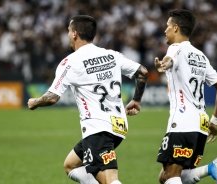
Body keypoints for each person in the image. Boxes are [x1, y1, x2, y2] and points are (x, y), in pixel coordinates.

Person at [28, 15, 148, 184]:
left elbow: (52, 97)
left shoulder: (70, 62)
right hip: (119, 126)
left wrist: (36, 102)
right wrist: (136, 100)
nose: (68, 35)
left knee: (109, 180)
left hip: (98, 127)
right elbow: (142, 72)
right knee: (71, 165)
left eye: (69, 31)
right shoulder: (111, 55)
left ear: (75, 33)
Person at [154, 9, 217, 184]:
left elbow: (170, 59)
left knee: (171, 176)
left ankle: (211, 168)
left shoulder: (175, 48)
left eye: (167, 26)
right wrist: (215, 122)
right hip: (201, 124)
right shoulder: (201, 56)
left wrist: (164, 65)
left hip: (182, 122)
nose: (165, 30)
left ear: (176, 28)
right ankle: (211, 168)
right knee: (166, 177)